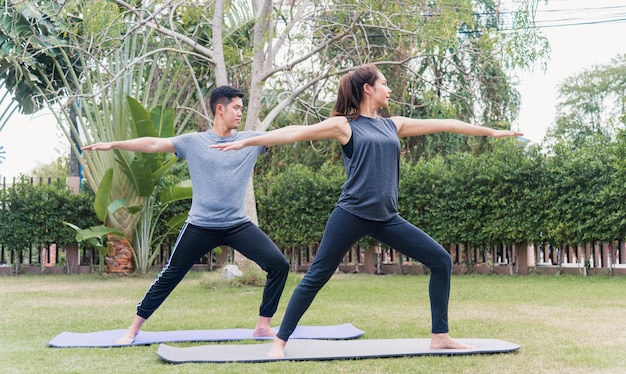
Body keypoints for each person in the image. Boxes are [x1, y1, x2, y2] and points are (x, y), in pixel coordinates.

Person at [211, 64, 523, 358]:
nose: (389, 89)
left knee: (441, 260)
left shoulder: (394, 125)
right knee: (317, 275)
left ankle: (440, 336)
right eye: (383, 83)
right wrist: (246, 142)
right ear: (367, 89)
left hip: (387, 217)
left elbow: (447, 124)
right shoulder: (345, 126)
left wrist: (491, 132)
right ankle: (279, 341)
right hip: (351, 214)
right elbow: (295, 132)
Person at [82, 85, 290, 345]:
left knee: (279, 265)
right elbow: (153, 143)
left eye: (241, 108)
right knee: (171, 275)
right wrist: (115, 144)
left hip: (237, 224)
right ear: (220, 109)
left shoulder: (250, 141)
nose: (240, 113)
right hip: (201, 226)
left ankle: (262, 326)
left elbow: (286, 134)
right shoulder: (193, 142)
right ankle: (133, 329)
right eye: (236, 108)